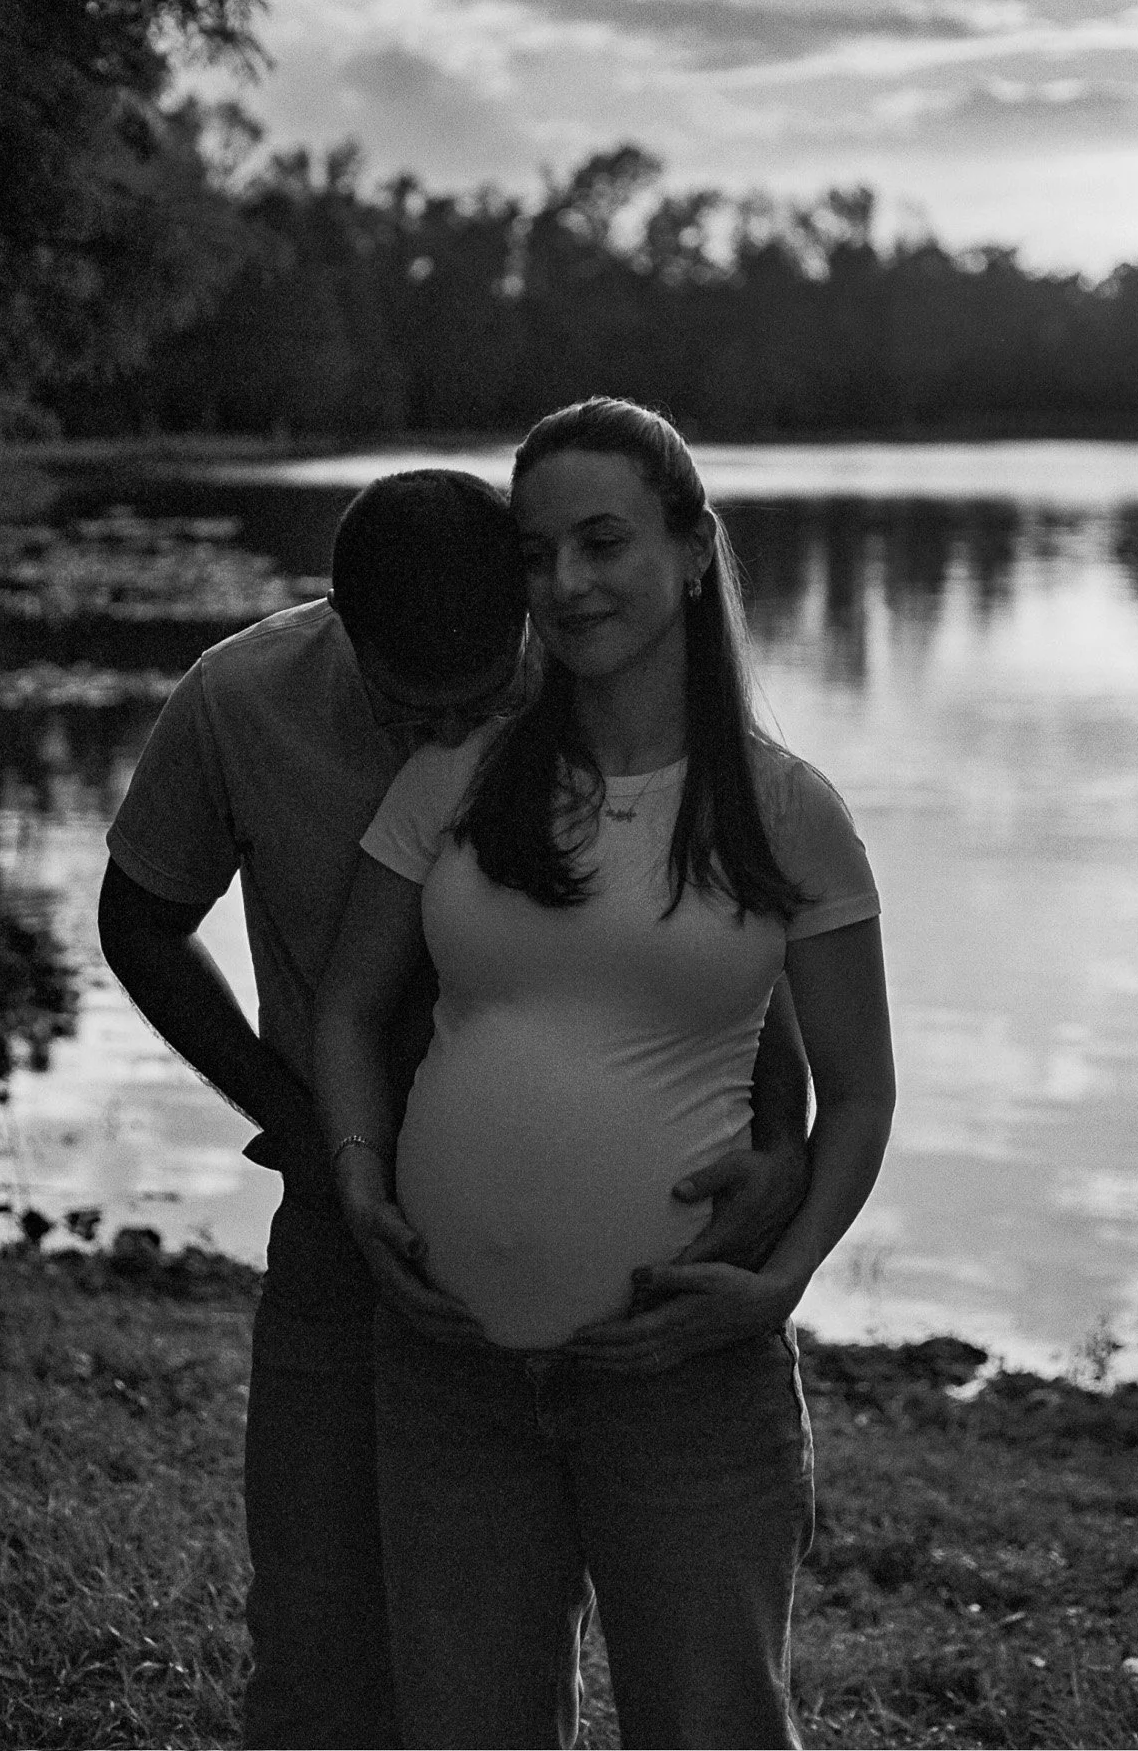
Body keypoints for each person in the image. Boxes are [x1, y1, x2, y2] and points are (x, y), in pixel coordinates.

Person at [97, 466, 812, 1750]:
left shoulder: (607, 689)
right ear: (340, 623)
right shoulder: (242, 697)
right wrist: (303, 1124)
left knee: (667, 1686)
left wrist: (779, 1136)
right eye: (402, 705)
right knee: (323, 1665)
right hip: (348, 1251)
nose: (444, 738)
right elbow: (139, 917)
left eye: (476, 700)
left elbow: (735, 923)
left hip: (639, 1274)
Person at [314, 401, 897, 1750]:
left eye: (602, 542)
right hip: (450, 1369)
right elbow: (348, 1012)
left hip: (682, 1382)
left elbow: (858, 1090)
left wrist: (779, 1279)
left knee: (709, 1731)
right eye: (535, 554)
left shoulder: (784, 806)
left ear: (694, 550)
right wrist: (355, 1184)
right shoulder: (453, 776)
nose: (565, 584)